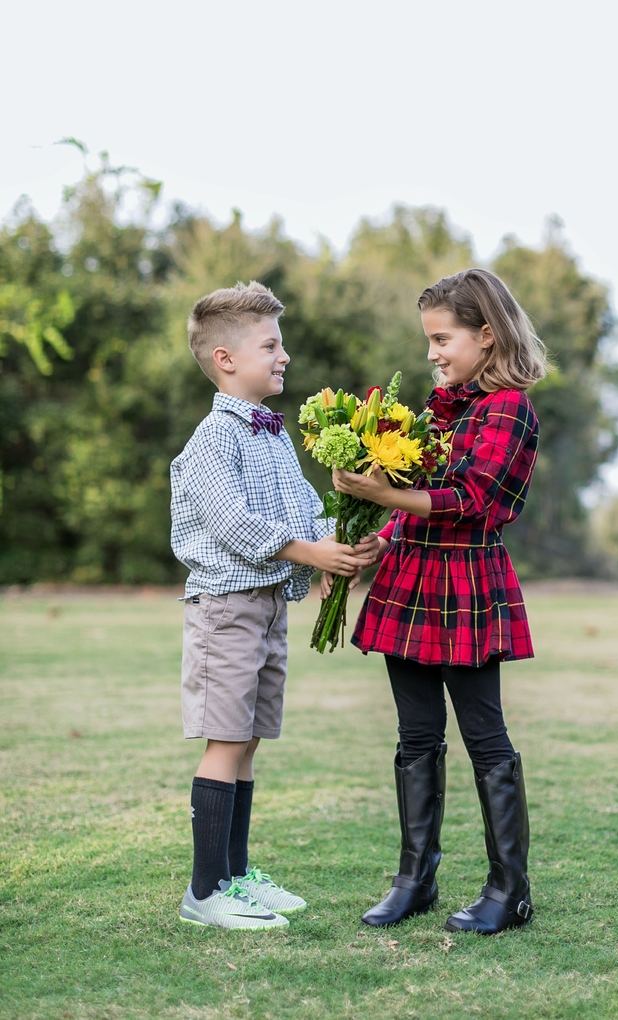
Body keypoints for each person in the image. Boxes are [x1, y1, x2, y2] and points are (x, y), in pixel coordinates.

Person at [331, 268, 547, 935]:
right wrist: (381, 538)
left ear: (487, 334)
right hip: (410, 581)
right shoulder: (440, 410)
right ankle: (414, 879)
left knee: (486, 740)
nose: (432, 353)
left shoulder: (510, 409)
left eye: (442, 338)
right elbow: (419, 498)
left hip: (466, 587)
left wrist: (382, 498)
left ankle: (510, 890)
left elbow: (475, 502)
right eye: (428, 340)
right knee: (415, 737)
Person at [170, 281, 378, 931]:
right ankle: (205, 893)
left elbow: (299, 506)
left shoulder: (274, 436)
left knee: (250, 739)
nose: (284, 355)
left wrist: (334, 544)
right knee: (225, 740)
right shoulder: (214, 438)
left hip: (266, 606)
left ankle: (234, 875)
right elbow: (233, 522)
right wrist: (309, 554)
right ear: (226, 359)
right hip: (226, 608)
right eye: (271, 345)